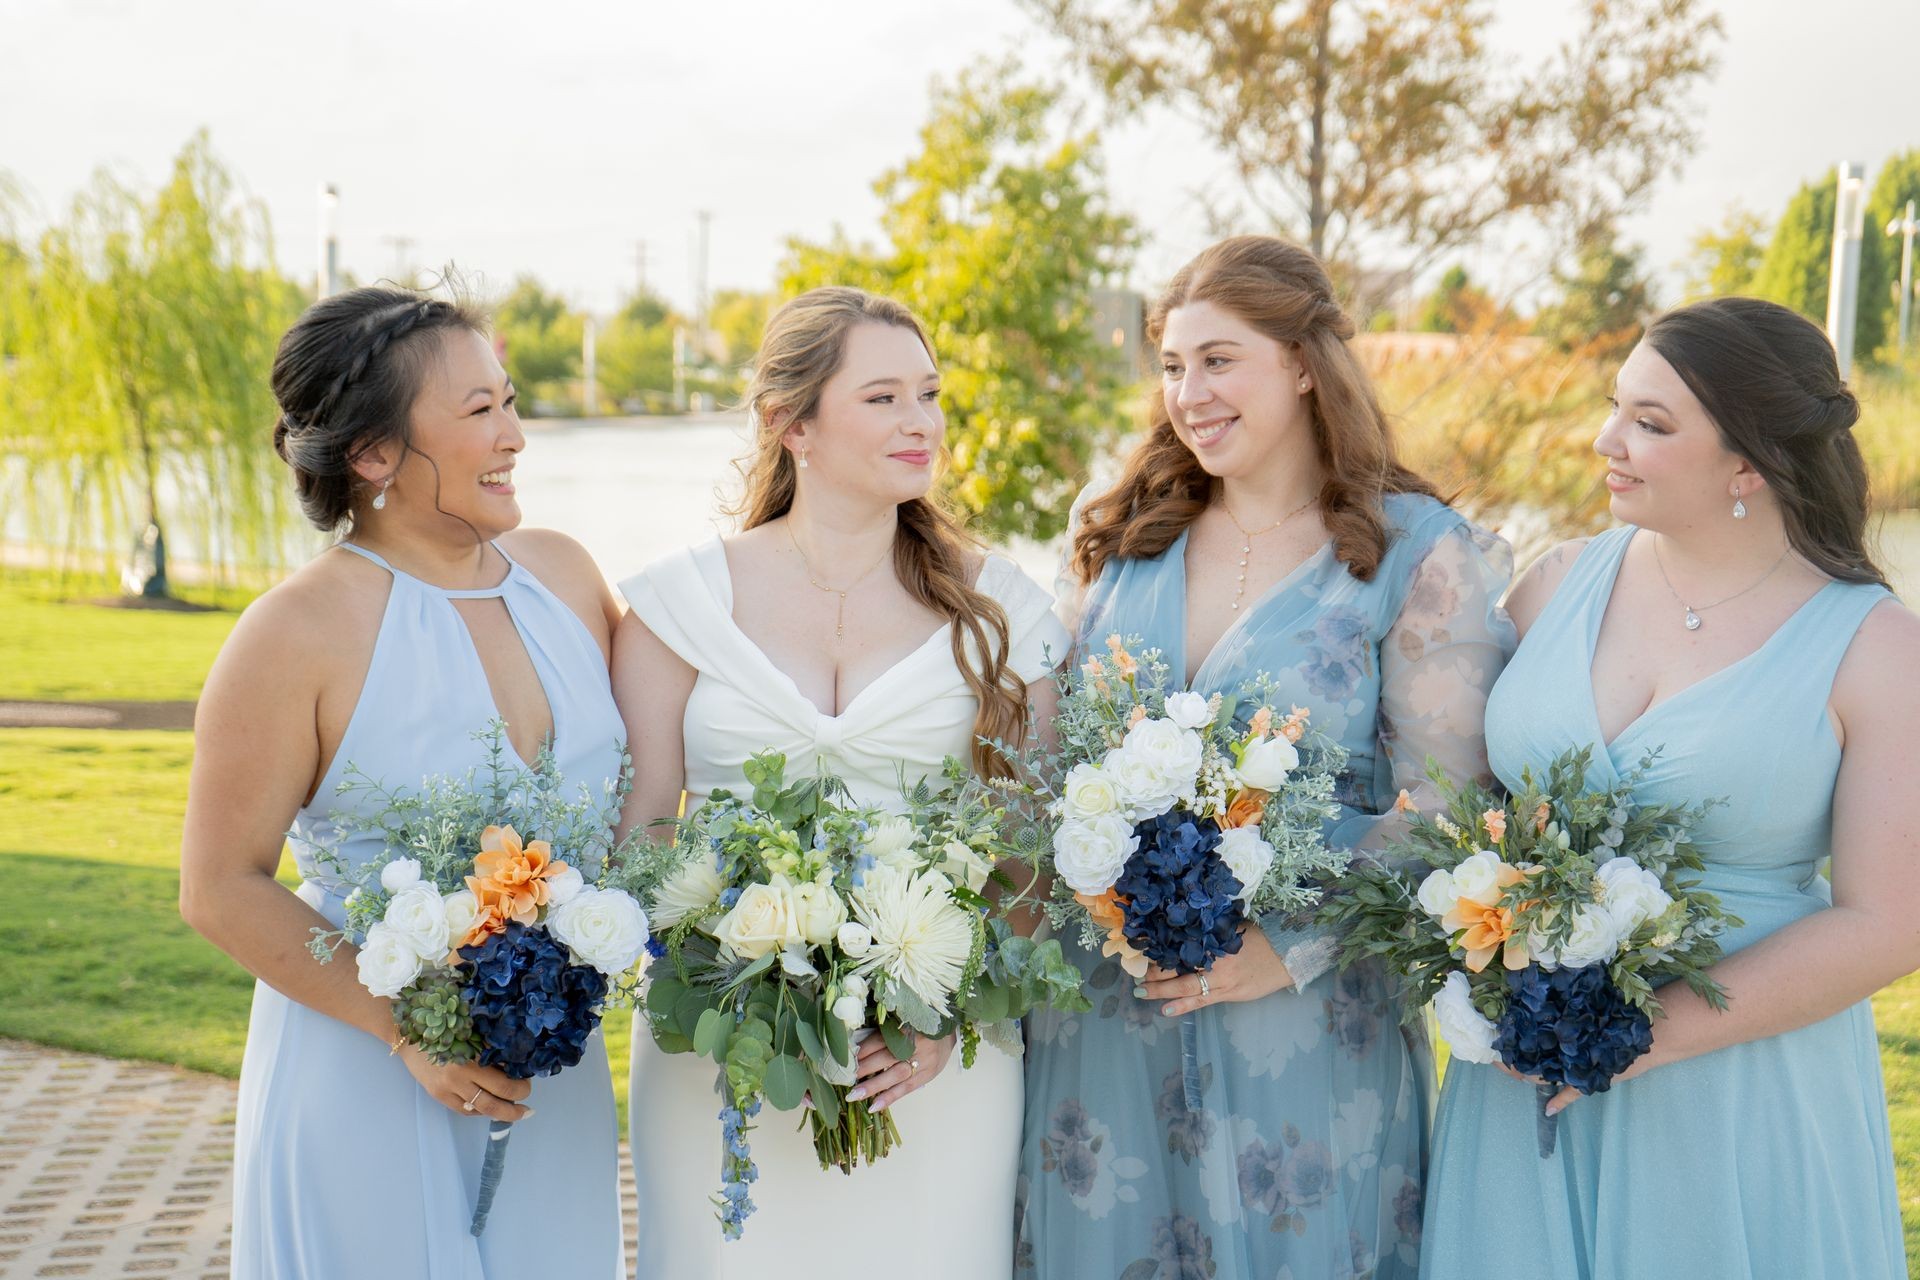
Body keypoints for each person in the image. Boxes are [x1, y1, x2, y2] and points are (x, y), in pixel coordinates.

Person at [1015, 235, 1515, 1280]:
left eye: (1218, 359)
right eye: (1170, 365)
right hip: (1107, 1020)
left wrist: (1286, 947)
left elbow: (1450, 801)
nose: (1188, 392)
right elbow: (1047, 761)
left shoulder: (1414, 550)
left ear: (1301, 361)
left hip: (1308, 1019)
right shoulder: (1116, 537)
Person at [1421, 296, 1918, 1280]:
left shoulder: (1875, 645)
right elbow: (1458, 797)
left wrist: (1646, 1035)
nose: (1608, 439)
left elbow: (1891, 919)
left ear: (1751, 461)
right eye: (1617, 407)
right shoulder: (1556, 581)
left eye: (1652, 423)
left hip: (1740, 1083)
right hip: (1526, 1077)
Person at [612, 286, 1066, 1278]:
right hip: (720, 1056)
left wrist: (950, 1016)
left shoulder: (1004, 609)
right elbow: (642, 829)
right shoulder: (677, 604)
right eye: (883, 397)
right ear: (791, 424)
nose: (921, 423)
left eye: (931, 394)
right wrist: (735, 971)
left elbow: (1028, 849)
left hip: (930, 1064)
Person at [179, 286, 627, 1278]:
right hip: (365, 1069)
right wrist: (408, 1028)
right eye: (478, 412)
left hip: (550, 1071)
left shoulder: (565, 575)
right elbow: (220, 885)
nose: (515, 435)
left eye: (509, 401)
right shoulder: (294, 632)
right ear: (374, 454)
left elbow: (667, 769)